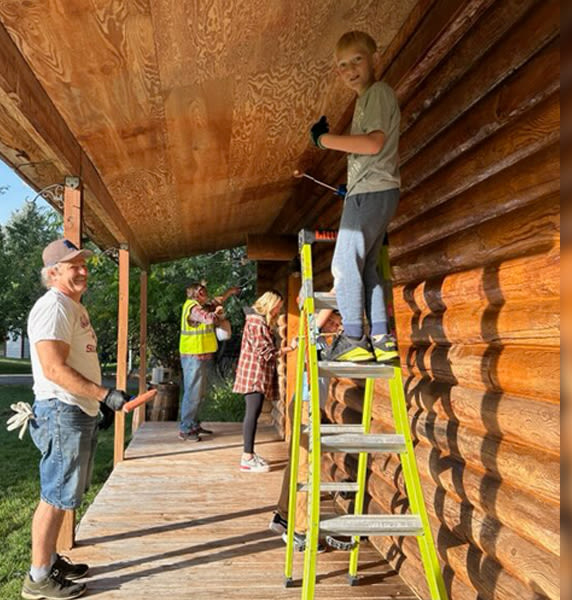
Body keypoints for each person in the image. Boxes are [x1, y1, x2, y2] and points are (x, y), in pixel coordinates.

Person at [22, 238, 156, 600]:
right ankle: (37, 578)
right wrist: (105, 396)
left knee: (65, 493)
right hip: (61, 410)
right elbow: (53, 368)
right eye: (73, 266)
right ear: (53, 274)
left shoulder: (71, 306)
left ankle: (48, 560)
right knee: (54, 496)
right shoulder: (54, 307)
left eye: (84, 264)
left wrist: (95, 408)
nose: (82, 271)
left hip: (75, 410)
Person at [308, 30, 401, 363]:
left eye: (357, 60)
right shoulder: (368, 99)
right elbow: (372, 151)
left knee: (344, 265)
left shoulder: (377, 93)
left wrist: (324, 141)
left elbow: (373, 143)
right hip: (376, 191)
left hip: (371, 193)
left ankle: (353, 339)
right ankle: (381, 339)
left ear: (374, 58)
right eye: (343, 65)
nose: (350, 69)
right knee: (367, 271)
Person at [268, 309, 341, 552]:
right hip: (305, 405)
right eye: (331, 318)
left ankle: (284, 515)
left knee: (297, 463)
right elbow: (317, 321)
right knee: (304, 468)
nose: (334, 323)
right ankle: (300, 531)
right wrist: (338, 287)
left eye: (337, 319)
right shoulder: (314, 328)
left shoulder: (323, 339)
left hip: (306, 404)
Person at [232, 290, 287, 472]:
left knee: (253, 414)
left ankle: (249, 454)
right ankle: (247, 457)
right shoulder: (257, 322)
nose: (278, 312)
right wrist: (288, 349)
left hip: (255, 373)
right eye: (277, 308)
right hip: (253, 374)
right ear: (270, 305)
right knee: (252, 414)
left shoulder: (257, 321)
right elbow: (265, 352)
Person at [178, 281, 240, 442]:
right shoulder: (193, 308)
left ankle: (193, 424)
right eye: (205, 292)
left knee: (200, 393)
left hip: (201, 356)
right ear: (198, 293)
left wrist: (229, 292)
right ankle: (186, 428)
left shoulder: (201, 305)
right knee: (193, 393)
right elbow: (208, 318)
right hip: (193, 356)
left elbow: (215, 302)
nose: (208, 295)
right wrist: (218, 314)